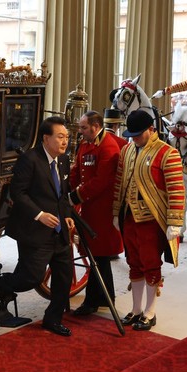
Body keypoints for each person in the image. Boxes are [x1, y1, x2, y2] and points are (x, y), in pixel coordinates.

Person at [0, 116, 75, 337]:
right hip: (34, 230)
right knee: (31, 278)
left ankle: (52, 319)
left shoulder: (63, 160)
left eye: (67, 137)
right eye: (60, 137)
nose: (65, 142)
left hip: (59, 230)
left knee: (64, 279)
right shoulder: (29, 160)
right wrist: (39, 215)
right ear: (46, 138)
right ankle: (4, 283)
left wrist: (67, 216)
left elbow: (62, 195)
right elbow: (18, 193)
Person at [112, 110, 186, 331]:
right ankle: (136, 310)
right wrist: (116, 212)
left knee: (151, 265)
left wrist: (175, 221)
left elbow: (175, 190)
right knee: (133, 264)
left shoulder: (167, 153)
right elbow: (119, 184)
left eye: (138, 134)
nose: (133, 138)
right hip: (129, 218)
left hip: (152, 220)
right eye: (131, 134)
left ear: (151, 130)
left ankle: (150, 312)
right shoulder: (126, 151)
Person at [69, 110, 124, 316]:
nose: (81, 131)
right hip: (90, 208)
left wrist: (76, 196)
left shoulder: (107, 146)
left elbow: (102, 181)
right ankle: (103, 297)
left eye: (83, 128)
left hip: (102, 209)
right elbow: (78, 168)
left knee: (98, 254)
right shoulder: (87, 143)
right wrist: (67, 187)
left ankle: (94, 301)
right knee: (97, 256)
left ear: (95, 126)